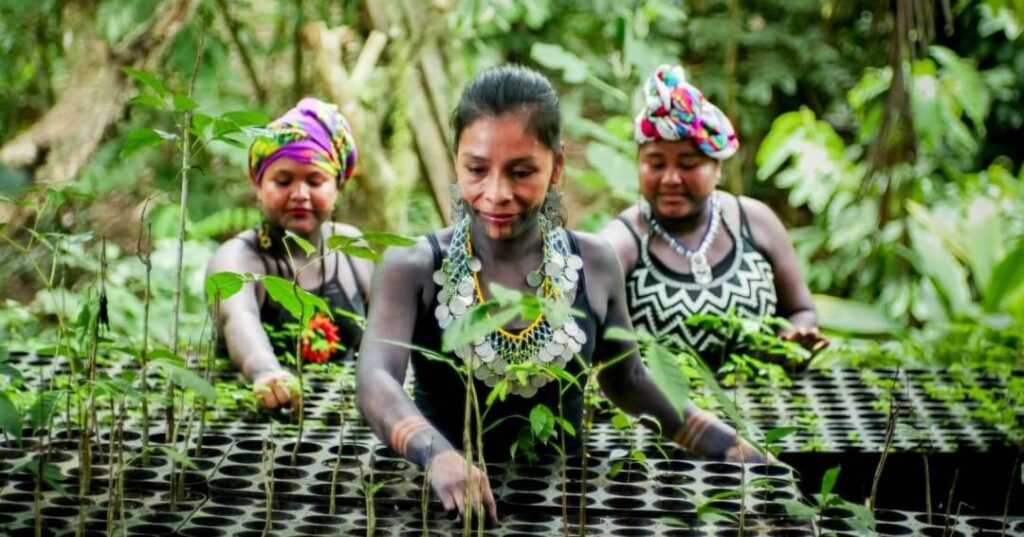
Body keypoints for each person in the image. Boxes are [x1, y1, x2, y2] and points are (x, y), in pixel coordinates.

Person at [356, 65, 766, 524]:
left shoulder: (593, 262)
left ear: (558, 164)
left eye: (522, 171)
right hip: (441, 506)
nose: (496, 193)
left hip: (564, 507)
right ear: (456, 160)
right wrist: (437, 455)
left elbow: (628, 380)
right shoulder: (412, 266)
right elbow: (375, 381)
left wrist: (728, 444)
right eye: (476, 169)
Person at [600, 65, 827, 371]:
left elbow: (800, 310)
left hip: (767, 404)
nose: (670, 178)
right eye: (655, 164)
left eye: (688, 164)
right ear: (638, 163)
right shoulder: (621, 243)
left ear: (717, 168)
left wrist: (791, 341)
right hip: (661, 415)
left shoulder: (755, 222)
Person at [207, 98, 372, 409]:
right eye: (283, 181)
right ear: (258, 185)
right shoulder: (236, 260)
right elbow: (237, 317)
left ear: (336, 187)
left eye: (315, 180)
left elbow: (383, 337)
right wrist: (265, 373)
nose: (299, 194)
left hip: (344, 423)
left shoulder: (353, 250)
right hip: (250, 425)